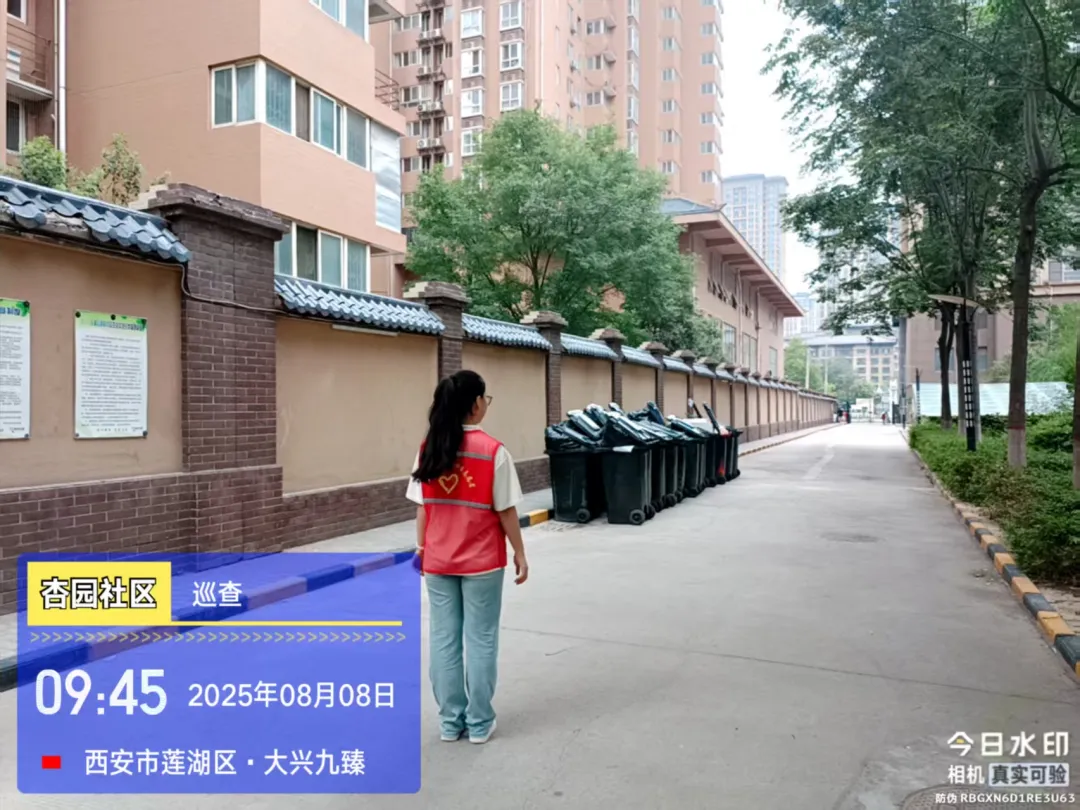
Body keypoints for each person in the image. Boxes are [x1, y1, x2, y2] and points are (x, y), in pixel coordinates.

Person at [406, 370, 529, 745]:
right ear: (476, 404)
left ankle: (450, 722)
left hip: (439, 562)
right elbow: (506, 511)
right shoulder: (493, 452)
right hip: (482, 563)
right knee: (481, 639)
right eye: (485, 399)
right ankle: (478, 723)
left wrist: (422, 549)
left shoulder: (429, 448)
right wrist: (520, 552)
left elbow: (423, 508)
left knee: (444, 640)